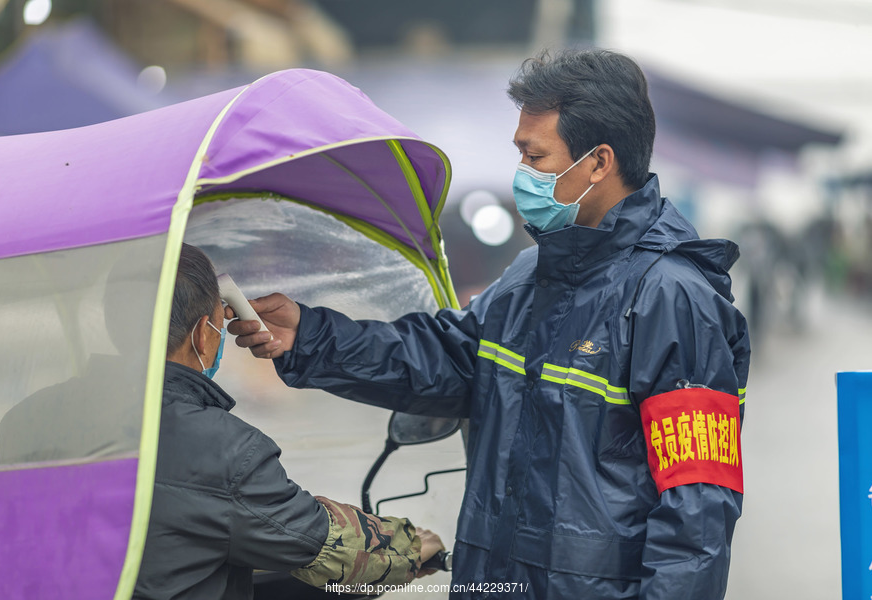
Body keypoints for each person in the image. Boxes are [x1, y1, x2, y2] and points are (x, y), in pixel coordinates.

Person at [228, 48, 750, 599]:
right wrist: (307, 335)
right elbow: (444, 360)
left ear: (598, 163)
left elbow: (697, 509)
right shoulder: (530, 277)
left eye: (535, 155)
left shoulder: (673, 299)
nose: (522, 173)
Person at [133, 243, 444, 600]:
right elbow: (324, 546)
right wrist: (412, 546)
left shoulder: (59, 412)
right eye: (221, 328)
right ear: (204, 334)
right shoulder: (220, 448)